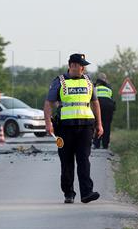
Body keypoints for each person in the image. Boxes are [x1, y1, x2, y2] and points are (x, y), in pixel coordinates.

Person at [44, 53, 103, 204]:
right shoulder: (59, 81)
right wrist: (48, 123)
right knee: (67, 161)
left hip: (85, 126)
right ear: (72, 65)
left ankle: (86, 193)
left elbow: (95, 103)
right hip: (64, 127)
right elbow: (49, 103)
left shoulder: (88, 81)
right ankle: (68, 193)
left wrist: (99, 124)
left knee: (84, 159)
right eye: (80, 65)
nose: (82, 68)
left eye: (83, 66)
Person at [92, 72, 116, 150]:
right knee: (107, 125)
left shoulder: (95, 88)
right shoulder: (109, 88)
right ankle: (105, 144)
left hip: (99, 105)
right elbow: (111, 98)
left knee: (98, 124)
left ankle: (97, 144)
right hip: (109, 106)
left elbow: (93, 101)